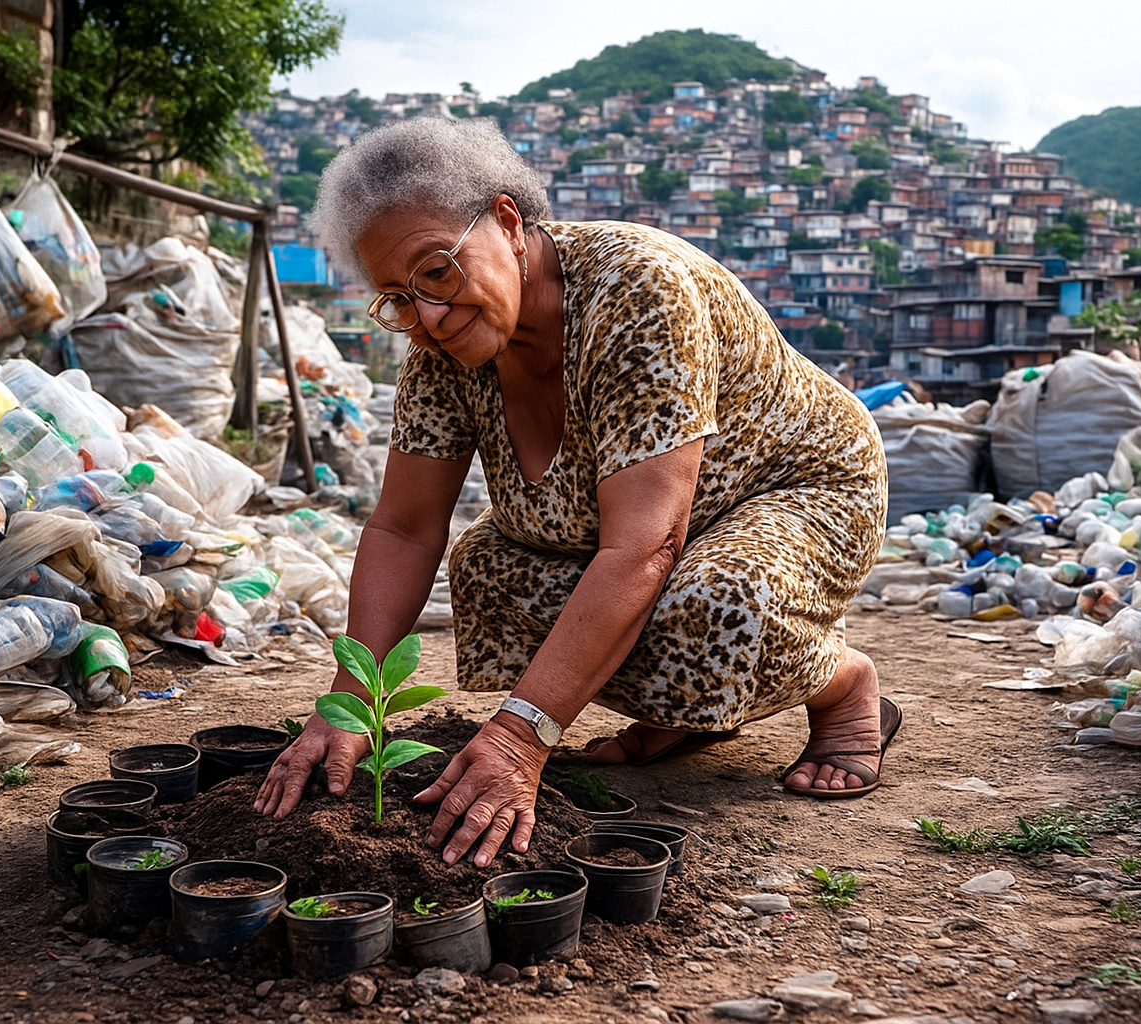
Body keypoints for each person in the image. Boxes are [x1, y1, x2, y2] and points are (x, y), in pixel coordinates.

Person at [255, 117, 896, 868]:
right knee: (491, 568)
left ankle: (843, 685)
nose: (425, 314)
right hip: (648, 524)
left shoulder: (638, 292)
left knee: (716, 605)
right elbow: (404, 529)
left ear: (506, 221)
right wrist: (351, 702)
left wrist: (521, 735)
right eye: (396, 296)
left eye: (437, 271)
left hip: (799, 488)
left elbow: (645, 545)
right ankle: (689, 712)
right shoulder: (439, 353)